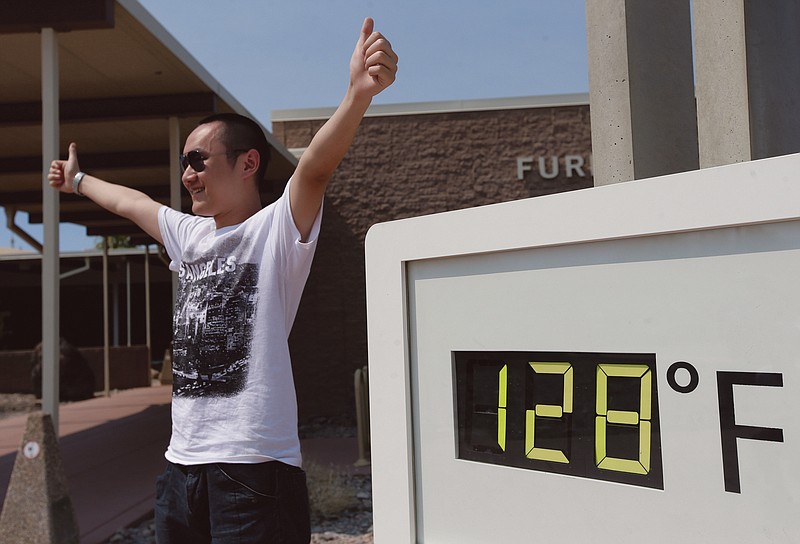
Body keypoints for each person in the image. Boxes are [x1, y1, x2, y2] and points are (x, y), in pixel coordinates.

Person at [47, 17, 398, 543]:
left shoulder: (275, 230)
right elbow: (133, 203)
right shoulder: (189, 236)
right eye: (183, 162)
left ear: (248, 163)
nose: (187, 173)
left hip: (254, 470)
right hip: (180, 469)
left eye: (198, 160)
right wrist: (77, 180)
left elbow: (316, 171)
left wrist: (357, 95)